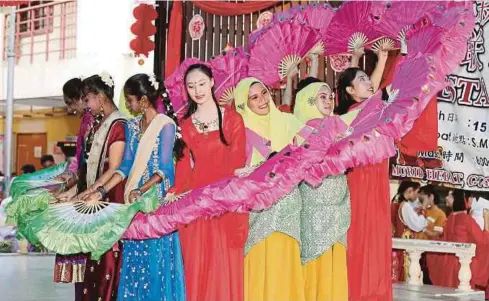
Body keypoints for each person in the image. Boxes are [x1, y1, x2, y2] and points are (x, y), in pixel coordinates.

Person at [84, 73, 186, 301]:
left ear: (143, 99)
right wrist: (101, 190)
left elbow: (166, 169)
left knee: (153, 263)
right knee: (133, 261)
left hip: (154, 202)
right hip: (131, 203)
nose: (128, 106)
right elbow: (125, 166)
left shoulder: (165, 125)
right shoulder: (131, 125)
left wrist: (143, 189)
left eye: (130, 100)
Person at [170, 64, 247, 301]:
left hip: (225, 200)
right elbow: (183, 169)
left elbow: (237, 161)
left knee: (224, 263)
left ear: (212, 82)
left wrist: (225, 194)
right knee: (196, 263)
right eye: (191, 86)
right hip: (196, 202)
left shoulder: (233, 118)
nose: (197, 90)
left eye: (202, 84)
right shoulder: (183, 125)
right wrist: (175, 192)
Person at [234, 77, 309, 301]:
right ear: (243, 103)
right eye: (254, 98)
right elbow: (234, 167)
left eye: (264, 93)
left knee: (284, 255)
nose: (262, 100)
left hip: (288, 201)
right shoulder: (239, 129)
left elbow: (312, 146)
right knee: (259, 255)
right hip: (258, 204)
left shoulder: (287, 121)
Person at [335, 47, 391, 301]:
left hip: (377, 179)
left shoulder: (370, 111)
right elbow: (375, 98)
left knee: (378, 239)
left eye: (368, 79)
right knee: (362, 238)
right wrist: (382, 60)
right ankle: (359, 294)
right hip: (361, 181)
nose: (369, 83)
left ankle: (375, 293)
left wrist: (381, 59)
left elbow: (374, 96)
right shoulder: (351, 115)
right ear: (349, 91)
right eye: (362, 81)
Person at [293, 79, 350, 301]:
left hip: (339, 198)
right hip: (313, 198)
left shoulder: (339, 126)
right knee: (314, 254)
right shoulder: (301, 129)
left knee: (335, 255)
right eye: (321, 97)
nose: (328, 101)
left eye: (329, 97)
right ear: (308, 100)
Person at [75, 73, 127, 301]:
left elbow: (114, 167)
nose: (86, 106)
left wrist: (92, 190)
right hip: (97, 200)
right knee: (94, 259)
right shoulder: (101, 123)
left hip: (110, 198)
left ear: (100, 96)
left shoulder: (119, 124)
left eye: (87, 99)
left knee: (106, 260)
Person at [52, 78, 92, 301]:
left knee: (83, 259)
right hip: (82, 188)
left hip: (87, 193)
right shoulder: (87, 121)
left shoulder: (90, 122)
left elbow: (86, 164)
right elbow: (80, 162)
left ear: (80, 98)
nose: (70, 108)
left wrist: (70, 187)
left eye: (70, 102)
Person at [427, 189, 489, 293]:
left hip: (447, 264)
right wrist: (486, 220)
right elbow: (483, 241)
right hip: (461, 265)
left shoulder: (451, 217)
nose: (446, 198)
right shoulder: (466, 219)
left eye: (450, 196)